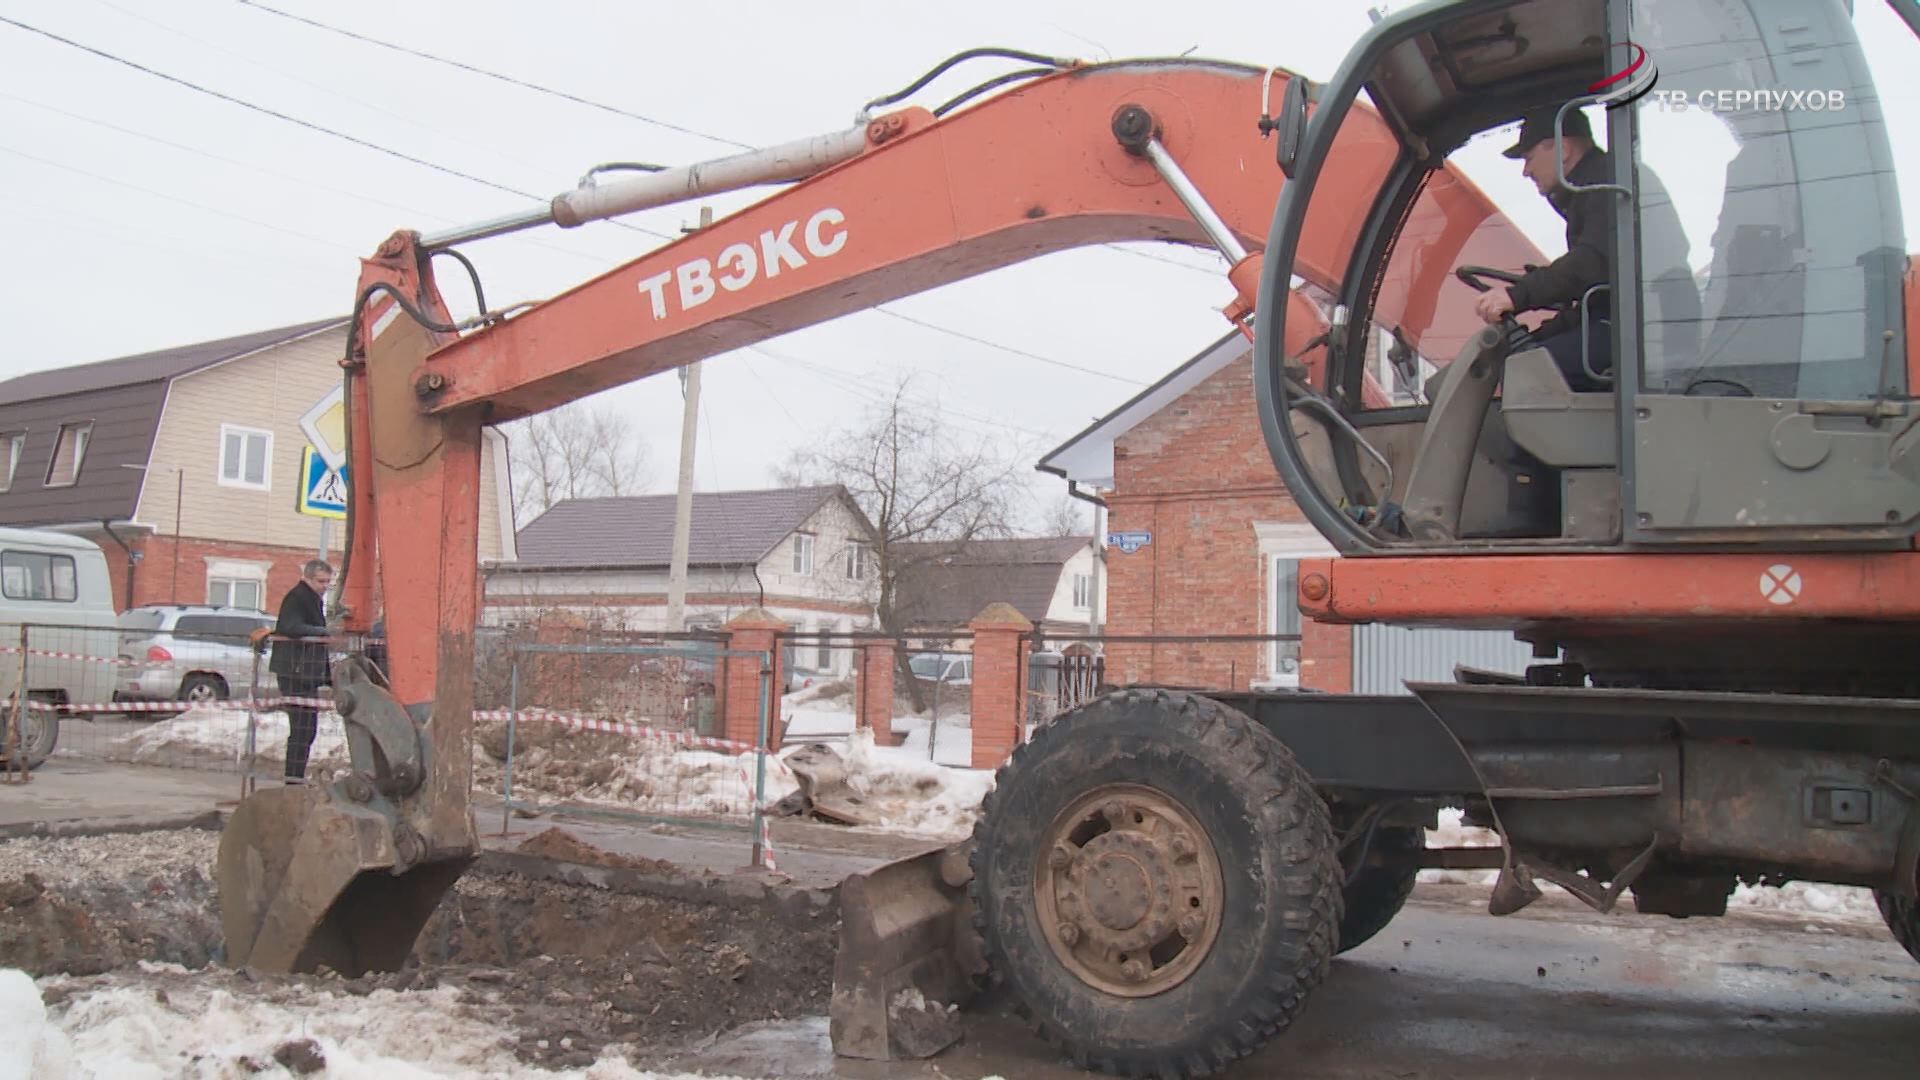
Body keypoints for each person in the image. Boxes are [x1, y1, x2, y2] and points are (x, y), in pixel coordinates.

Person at [1472, 104, 1615, 391]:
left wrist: (1518, 295)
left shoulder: (1606, 185)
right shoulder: (1589, 188)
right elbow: (1589, 296)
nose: (1526, 171)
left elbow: (1591, 263)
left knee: (1528, 373)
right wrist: (1539, 335)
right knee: (1525, 356)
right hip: (1616, 319)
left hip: (1637, 328)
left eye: (1529, 158)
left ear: (1562, 148)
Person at [270, 559, 334, 784]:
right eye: (320, 581)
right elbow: (290, 627)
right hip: (294, 673)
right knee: (301, 729)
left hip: (305, 673)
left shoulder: (312, 599)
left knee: (307, 729)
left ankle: (296, 777)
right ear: (307, 578)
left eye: (328, 582)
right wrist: (322, 631)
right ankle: (293, 779)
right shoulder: (297, 597)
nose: (325, 586)